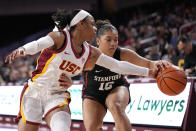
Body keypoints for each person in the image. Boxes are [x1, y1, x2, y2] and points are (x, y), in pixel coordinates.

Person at [5, 9, 170, 131]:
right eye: (91, 24)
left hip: (57, 94)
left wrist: (149, 72)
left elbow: (118, 65)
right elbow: (40, 43)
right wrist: (23, 50)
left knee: (62, 127)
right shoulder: (61, 37)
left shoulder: (90, 52)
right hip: (35, 90)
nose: (95, 28)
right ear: (81, 24)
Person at [82, 20, 172, 131]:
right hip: (93, 93)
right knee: (92, 128)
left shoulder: (122, 53)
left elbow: (148, 63)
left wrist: (157, 63)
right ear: (98, 41)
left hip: (117, 87)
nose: (113, 43)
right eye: (108, 40)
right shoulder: (88, 56)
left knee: (116, 105)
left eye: (115, 39)